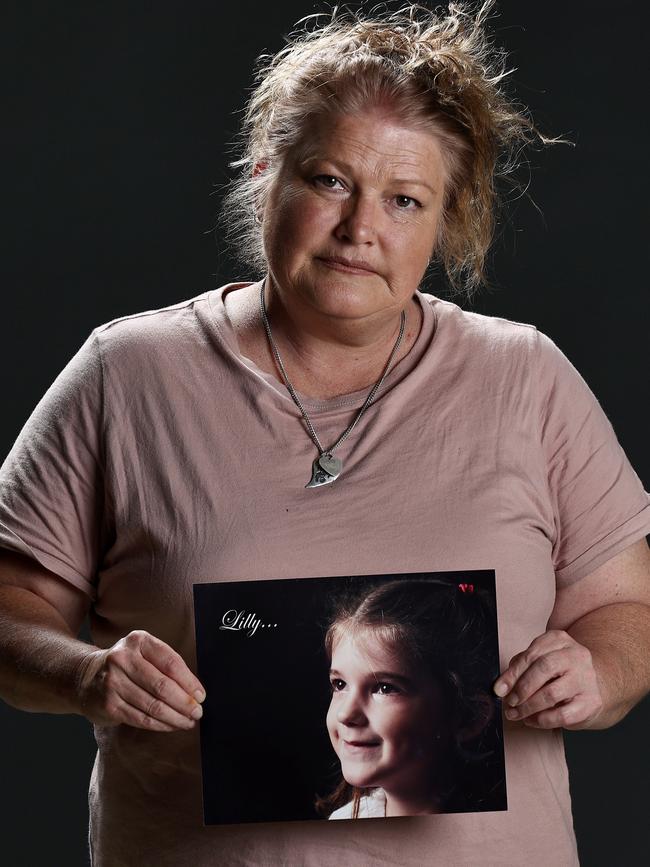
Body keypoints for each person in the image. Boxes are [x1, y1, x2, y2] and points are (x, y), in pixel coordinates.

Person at [0, 2, 649, 865]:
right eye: (329, 180)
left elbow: (628, 609)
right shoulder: (128, 374)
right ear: (267, 170)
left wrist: (596, 673)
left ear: (447, 219)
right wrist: (85, 675)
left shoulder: (524, 378)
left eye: (405, 199)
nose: (359, 230)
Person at [318, 578, 499, 820]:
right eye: (340, 685)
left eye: (384, 688)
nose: (345, 714)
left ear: (468, 717)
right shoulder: (344, 821)